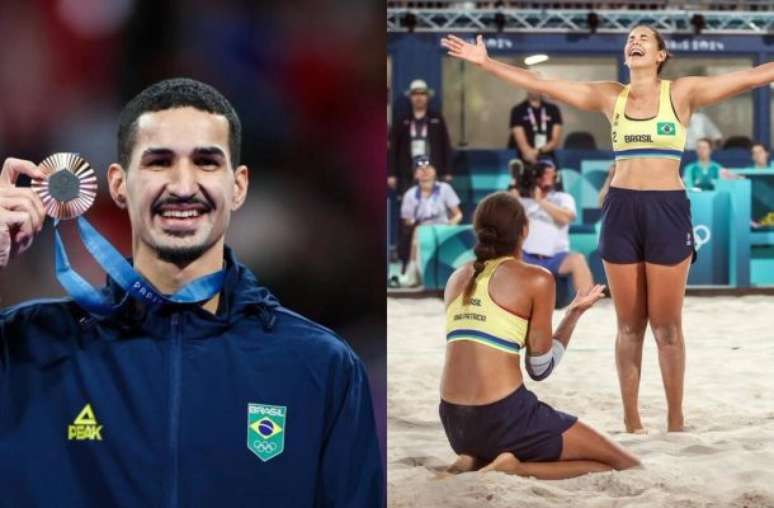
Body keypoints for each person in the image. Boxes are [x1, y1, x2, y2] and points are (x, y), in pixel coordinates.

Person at [0, 78, 383, 506]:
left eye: (205, 162)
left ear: (237, 186)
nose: (183, 186)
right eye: (159, 162)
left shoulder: (320, 367)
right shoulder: (26, 348)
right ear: (119, 185)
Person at [442, 27, 774, 433]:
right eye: (630, 37)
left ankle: (675, 421)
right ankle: (632, 422)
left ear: (661, 54)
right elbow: (542, 83)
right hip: (621, 211)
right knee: (629, 325)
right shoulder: (609, 96)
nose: (634, 41)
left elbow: (755, 76)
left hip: (667, 211)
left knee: (667, 327)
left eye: (644, 38)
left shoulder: (682, 93)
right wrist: (486, 63)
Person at [439, 192, 639, 478]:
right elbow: (540, 369)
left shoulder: (455, 278)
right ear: (525, 230)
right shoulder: (536, 278)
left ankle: (475, 459)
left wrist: (570, 313)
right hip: (503, 418)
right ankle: (514, 467)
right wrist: (572, 317)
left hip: (455, 424)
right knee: (623, 464)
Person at [511, 160, 593, 294]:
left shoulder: (563, 198)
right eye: (544, 173)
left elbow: (566, 217)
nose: (548, 176)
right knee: (506, 259)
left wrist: (541, 201)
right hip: (526, 256)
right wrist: (514, 189)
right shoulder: (523, 201)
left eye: (551, 173)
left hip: (556, 257)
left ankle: (586, 301)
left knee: (578, 259)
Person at [398, 155, 462, 287]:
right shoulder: (410, 194)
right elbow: (406, 220)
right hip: (422, 229)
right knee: (417, 233)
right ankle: (413, 275)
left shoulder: (445, 189)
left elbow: (458, 214)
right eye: (420, 169)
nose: (425, 171)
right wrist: (415, 223)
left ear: (435, 171)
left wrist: (451, 225)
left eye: (428, 167)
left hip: (443, 228)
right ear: (415, 174)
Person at [388, 79, 453, 193]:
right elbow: (393, 149)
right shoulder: (401, 121)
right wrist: (391, 174)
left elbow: (445, 145)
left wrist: (447, 172)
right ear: (410, 97)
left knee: (433, 207)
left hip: (432, 172)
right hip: (407, 173)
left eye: (422, 94)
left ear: (427, 97)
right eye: (415, 94)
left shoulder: (437, 119)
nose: (419, 98)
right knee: (409, 207)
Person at [508, 78, 563, 166]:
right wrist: (529, 153)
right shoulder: (518, 110)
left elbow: (555, 140)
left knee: (550, 176)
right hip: (525, 158)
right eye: (531, 85)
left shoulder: (553, 109)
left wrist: (538, 151)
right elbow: (520, 138)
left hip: (548, 158)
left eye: (536, 85)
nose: (534, 89)